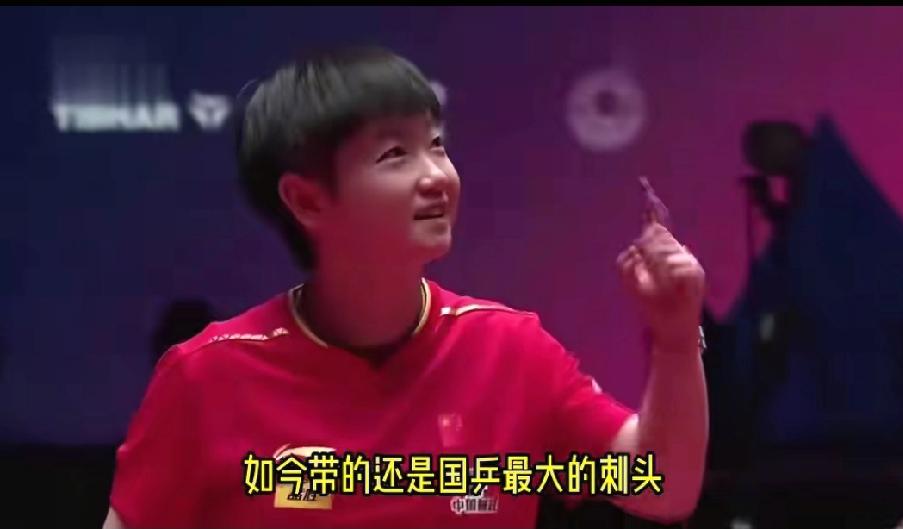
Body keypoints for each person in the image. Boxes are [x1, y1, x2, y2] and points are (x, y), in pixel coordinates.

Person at [103, 45, 708, 529]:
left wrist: (676, 341)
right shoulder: (207, 377)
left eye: (436, 145)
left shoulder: (510, 351)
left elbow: (662, 487)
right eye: (396, 154)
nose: (437, 176)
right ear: (306, 200)